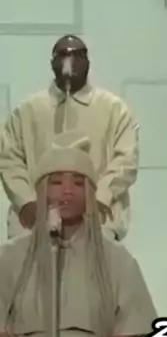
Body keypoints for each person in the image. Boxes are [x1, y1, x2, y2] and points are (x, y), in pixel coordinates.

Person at [0, 131, 157, 337]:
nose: (67, 191)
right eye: (57, 182)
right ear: (41, 190)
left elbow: (133, 329)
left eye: (78, 182)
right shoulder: (11, 255)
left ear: (91, 193)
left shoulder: (115, 257)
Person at [0, 35, 138, 241]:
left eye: (78, 55)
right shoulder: (28, 111)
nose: (70, 60)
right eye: (63, 54)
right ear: (52, 62)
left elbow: (125, 160)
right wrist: (26, 201)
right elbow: (9, 160)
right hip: (35, 222)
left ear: (88, 62)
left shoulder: (114, 110)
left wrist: (101, 198)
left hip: (98, 222)